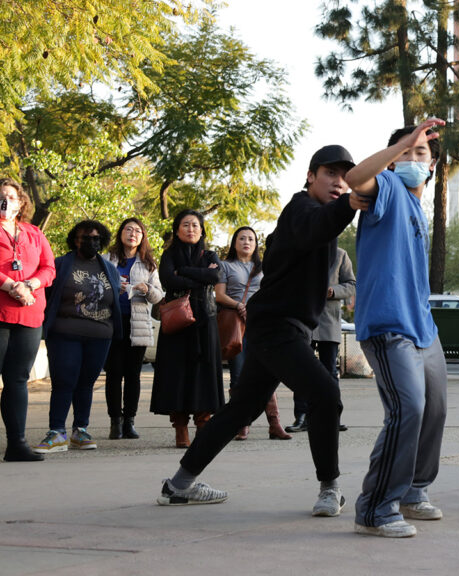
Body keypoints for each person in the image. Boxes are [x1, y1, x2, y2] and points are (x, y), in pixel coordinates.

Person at [157, 145, 367, 517]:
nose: (338, 182)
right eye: (330, 174)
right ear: (310, 176)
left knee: (242, 409)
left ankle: (178, 485)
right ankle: (329, 489)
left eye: (344, 176)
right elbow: (322, 224)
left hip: (285, 327)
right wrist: (354, 199)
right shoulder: (302, 210)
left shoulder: (316, 214)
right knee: (325, 395)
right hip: (276, 327)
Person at [345, 119, 448, 538]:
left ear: (433, 166)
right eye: (404, 152)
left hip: (423, 327)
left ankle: (413, 490)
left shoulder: (418, 209)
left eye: (419, 153)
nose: (410, 158)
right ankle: (374, 506)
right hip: (388, 327)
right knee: (407, 410)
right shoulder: (385, 189)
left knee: (434, 409)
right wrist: (403, 143)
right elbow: (356, 178)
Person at [33, 220, 121, 454]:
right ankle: (56, 432)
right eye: (86, 238)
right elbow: (47, 296)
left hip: (100, 336)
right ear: (75, 240)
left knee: (86, 383)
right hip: (65, 333)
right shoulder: (61, 264)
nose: (92, 242)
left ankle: (80, 430)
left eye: (96, 239)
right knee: (64, 381)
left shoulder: (109, 268)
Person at [149, 210, 224, 448]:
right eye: (185, 225)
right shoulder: (169, 254)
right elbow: (168, 280)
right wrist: (199, 276)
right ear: (177, 229)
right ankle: (180, 427)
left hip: (205, 320)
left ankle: (203, 423)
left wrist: (185, 272)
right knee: (176, 373)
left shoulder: (210, 254)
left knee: (205, 372)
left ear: (202, 230)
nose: (191, 229)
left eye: (195, 225)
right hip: (177, 320)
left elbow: (215, 276)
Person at [214, 226, 291, 441]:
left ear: (256, 244)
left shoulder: (264, 267)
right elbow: (219, 295)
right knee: (239, 376)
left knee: (267, 374)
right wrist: (239, 305)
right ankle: (242, 423)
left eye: (251, 239)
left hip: (261, 325)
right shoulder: (225, 265)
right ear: (234, 243)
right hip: (236, 326)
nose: (246, 242)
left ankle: (274, 424)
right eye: (242, 238)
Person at [0, 178, 55, 462]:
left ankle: (17, 444)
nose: (6, 201)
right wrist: (11, 285)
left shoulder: (34, 233)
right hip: (0, 312)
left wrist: (30, 284)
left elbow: (49, 268)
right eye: (1, 197)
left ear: (21, 202)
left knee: (18, 379)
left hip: (30, 315)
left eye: (11, 197)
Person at [103, 218, 163, 440]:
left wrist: (146, 288)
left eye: (138, 231)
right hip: (111, 323)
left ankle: (129, 421)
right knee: (113, 374)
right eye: (129, 229)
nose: (133, 234)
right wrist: (112, 290)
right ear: (121, 233)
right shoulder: (107, 260)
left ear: (142, 237)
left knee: (132, 376)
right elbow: (96, 288)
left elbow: (158, 296)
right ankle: (115, 423)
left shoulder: (148, 264)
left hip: (137, 323)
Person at [287, 244, 356, 434]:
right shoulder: (301, 250)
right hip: (302, 319)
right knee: (301, 369)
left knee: (329, 371)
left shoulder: (341, 254)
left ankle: (332, 416)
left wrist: (333, 291)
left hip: (328, 321)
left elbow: (352, 285)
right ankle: (301, 416)